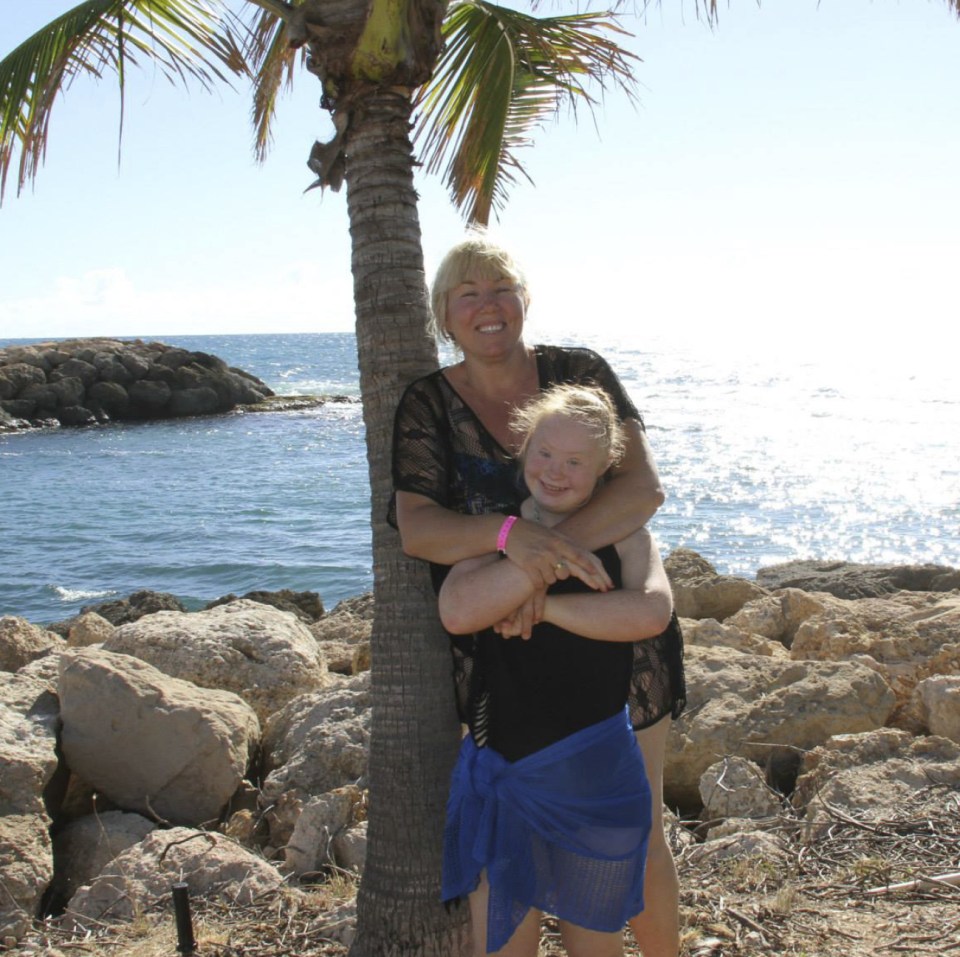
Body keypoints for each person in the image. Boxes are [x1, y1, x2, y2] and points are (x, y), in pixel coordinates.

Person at [390, 233, 686, 955]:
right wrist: (507, 539)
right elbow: (419, 529)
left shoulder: (577, 371)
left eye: (502, 289)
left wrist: (544, 566)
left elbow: (641, 488)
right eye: (469, 294)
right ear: (444, 314)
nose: (488, 307)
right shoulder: (428, 404)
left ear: (524, 300)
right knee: (513, 848)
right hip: (504, 644)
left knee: (635, 838)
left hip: (610, 640)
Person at [437, 383, 674, 956]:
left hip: (594, 777)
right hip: (505, 773)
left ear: (604, 472)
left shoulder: (627, 538)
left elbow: (650, 612)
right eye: (545, 453)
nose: (556, 471)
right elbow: (458, 610)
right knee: (501, 943)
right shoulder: (495, 535)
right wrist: (531, 563)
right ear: (524, 450)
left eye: (575, 462)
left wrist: (546, 609)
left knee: (594, 944)